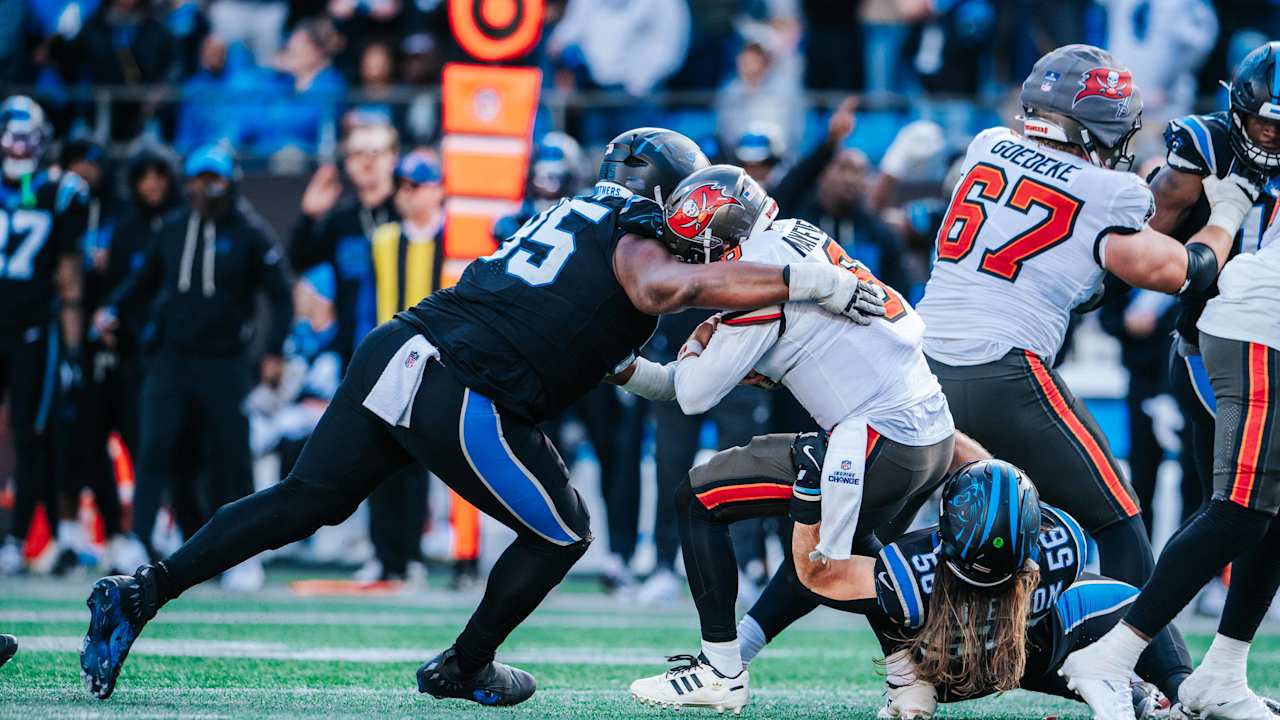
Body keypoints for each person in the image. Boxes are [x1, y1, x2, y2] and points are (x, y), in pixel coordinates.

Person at [79, 127, 887, 707]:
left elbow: (603, 343)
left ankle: (140, 593)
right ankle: (466, 665)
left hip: (405, 347)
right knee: (562, 532)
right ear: (666, 193)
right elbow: (657, 288)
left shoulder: (574, 212)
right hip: (461, 381)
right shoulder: (633, 226)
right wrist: (806, 282)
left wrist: (649, 371)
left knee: (304, 499)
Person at [628, 164, 960, 710]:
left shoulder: (755, 282)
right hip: (926, 434)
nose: (687, 260)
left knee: (701, 498)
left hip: (877, 440)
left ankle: (720, 669)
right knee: (835, 555)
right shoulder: (793, 233)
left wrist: (696, 339)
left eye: (691, 247)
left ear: (717, 236)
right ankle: (910, 679)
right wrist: (624, 370)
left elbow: (691, 394)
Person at [1061, 43, 1280, 720]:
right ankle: (1121, 654)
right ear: (1239, 110)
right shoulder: (1205, 144)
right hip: (1221, 340)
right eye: (1265, 122)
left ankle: (1220, 673)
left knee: (1260, 511)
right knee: (1239, 507)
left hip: (1260, 335)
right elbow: (1141, 235)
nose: (1272, 137)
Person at [760, 460, 1188, 720]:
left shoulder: (911, 572)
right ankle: (1177, 690)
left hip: (943, 673)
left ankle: (907, 682)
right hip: (1026, 655)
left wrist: (810, 493)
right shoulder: (1065, 542)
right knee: (1130, 601)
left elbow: (814, 575)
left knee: (874, 573)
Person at [92, 143, 293, 590]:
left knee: (230, 455)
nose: (205, 190)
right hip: (172, 357)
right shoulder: (174, 227)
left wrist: (274, 350)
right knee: (155, 446)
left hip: (224, 361)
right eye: (198, 181)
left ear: (230, 183)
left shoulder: (250, 232)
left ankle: (241, 553)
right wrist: (113, 310)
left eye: (213, 180)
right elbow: (143, 280)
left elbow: (280, 295)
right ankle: (140, 539)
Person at [0, 96, 88, 576]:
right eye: (12, 138)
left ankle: (17, 540)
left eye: (27, 139)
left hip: (32, 328)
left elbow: (69, 276)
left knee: (32, 434)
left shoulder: (62, 191)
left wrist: (71, 349)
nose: (19, 148)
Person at [291, 122, 399, 363]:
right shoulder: (341, 220)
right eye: (358, 153)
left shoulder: (407, 212)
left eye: (376, 152)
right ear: (347, 163)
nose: (367, 161)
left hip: (405, 348)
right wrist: (309, 217)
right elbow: (300, 261)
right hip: (353, 352)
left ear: (393, 157)